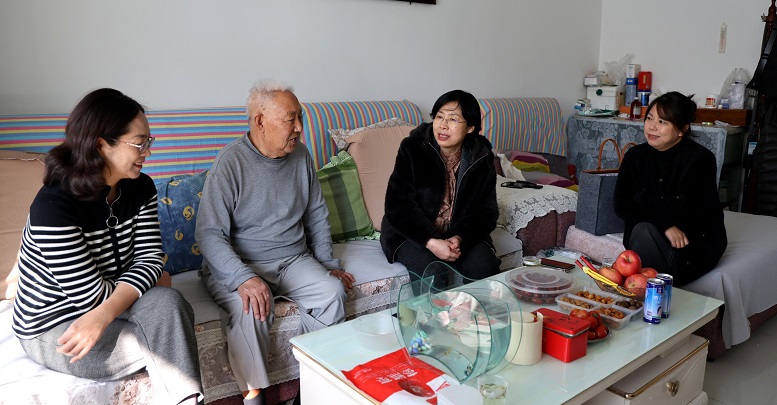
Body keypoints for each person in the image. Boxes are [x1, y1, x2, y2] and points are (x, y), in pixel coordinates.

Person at [12, 88, 203, 405]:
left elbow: (151, 259)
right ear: (101, 144)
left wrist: (105, 313)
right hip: (56, 327)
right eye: (140, 143)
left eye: (149, 141)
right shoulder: (53, 206)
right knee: (170, 331)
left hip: (106, 312)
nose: (148, 152)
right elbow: (91, 297)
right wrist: (148, 283)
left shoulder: (141, 188)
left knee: (169, 303)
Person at [195, 80, 353, 405]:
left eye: (300, 118)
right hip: (241, 264)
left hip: (293, 259)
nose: (299, 128)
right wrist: (243, 278)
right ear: (260, 121)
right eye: (291, 119)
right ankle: (255, 401)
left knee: (332, 292)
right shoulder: (230, 163)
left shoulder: (301, 156)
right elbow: (209, 233)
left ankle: (309, 391)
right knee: (252, 309)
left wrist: (327, 263)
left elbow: (316, 214)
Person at [380, 89, 501, 284]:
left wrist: (460, 238)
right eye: (439, 117)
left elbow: (486, 212)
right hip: (411, 234)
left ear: (470, 127)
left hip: (457, 234)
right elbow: (398, 206)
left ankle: (473, 306)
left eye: (453, 119)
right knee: (433, 272)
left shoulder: (481, 156)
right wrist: (431, 241)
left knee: (485, 266)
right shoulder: (413, 148)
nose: (443, 125)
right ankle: (432, 307)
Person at [614, 91, 727, 286]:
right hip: (654, 234)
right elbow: (621, 205)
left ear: (682, 129)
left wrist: (642, 199)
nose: (652, 127)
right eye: (650, 118)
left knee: (643, 230)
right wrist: (664, 223)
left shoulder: (700, 159)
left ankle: (656, 291)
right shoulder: (635, 156)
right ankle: (647, 288)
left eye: (662, 122)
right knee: (642, 230)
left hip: (691, 245)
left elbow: (687, 212)